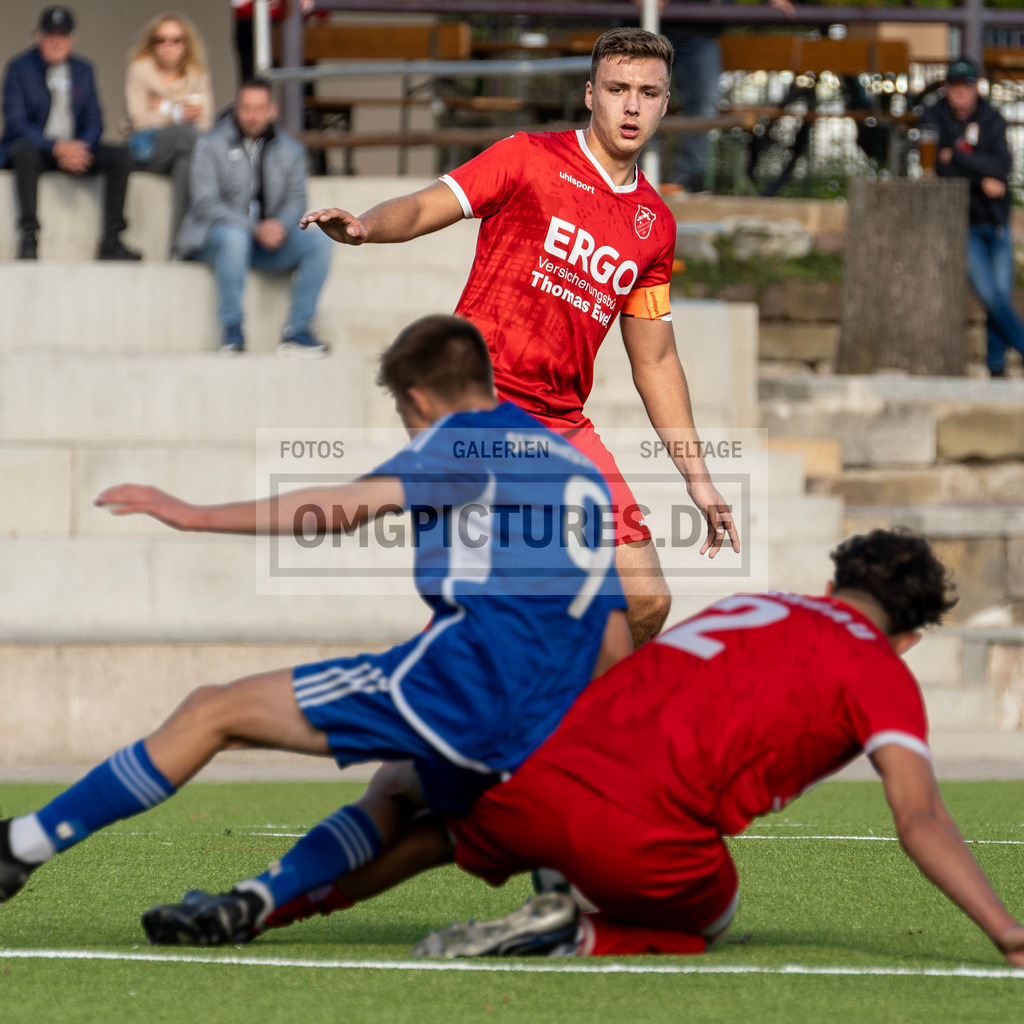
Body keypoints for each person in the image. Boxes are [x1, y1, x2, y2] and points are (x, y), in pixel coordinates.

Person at [0, 314, 632, 942]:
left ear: (416, 399)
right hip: (548, 709)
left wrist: (193, 516)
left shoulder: (461, 438)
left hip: (466, 677)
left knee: (212, 710)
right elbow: (610, 634)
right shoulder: (573, 466)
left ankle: (21, 846)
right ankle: (255, 901)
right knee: (398, 787)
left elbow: (341, 510)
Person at [169, 530, 1024, 969]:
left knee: (432, 823)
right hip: (636, 840)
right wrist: (1009, 934)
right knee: (715, 914)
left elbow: (623, 670)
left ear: (829, 585)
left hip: (527, 775)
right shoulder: (881, 669)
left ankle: (269, 903)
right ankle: (576, 936)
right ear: (909, 638)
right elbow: (919, 818)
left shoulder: (751, 606)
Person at [300, 27, 740, 648]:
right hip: (478, 404)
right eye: (618, 89)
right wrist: (368, 226)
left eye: (648, 92)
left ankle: (550, 727)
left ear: (668, 103)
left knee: (646, 599)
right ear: (591, 94)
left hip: (562, 420)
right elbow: (431, 204)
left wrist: (697, 477)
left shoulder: (655, 225)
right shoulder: (527, 156)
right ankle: (447, 714)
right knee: (492, 595)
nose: (632, 106)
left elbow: (658, 360)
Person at [174, 78, 331, 356]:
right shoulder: (210, 144)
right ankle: (232, 331)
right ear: (237, 109)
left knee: (320, 242)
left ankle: (297, 331)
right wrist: (253, 228)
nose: (252, 115)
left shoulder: (291, 150)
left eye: (259, 108)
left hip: (265, 243)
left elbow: (297, 200)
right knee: (235, 238)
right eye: (246, 107)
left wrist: (279, 226)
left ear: (272, 110)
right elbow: (204, 202)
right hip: (215, 239)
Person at [0, 6, 141, 261]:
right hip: (39, 149)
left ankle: (112, 240)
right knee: (23, 153)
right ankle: (29, 235)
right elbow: (16, 123)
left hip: (75, 150)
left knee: (120, 157)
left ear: (72, 38)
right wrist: (55, 147)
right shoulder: (19, 68)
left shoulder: (83, 70)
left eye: (62, 35)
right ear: (37, 36)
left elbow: (94, 119)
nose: (56, 41)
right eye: (50, 34)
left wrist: (80, 147)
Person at [920, 57, 1024, 379]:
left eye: (966, 87)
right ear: (947, 89)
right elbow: (937, 166)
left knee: (1000, 298)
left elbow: (1002, 167)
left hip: (996, 222)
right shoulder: (933, 116)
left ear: (975, 88)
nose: (960, 93)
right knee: (990, 295)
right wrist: (980, 178)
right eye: (955, 87)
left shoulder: (991, 117)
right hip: (964, 224)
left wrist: (960, 157)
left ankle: (996, 367)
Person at [646, 0, 794, 194]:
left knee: (705, 104)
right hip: (648, 26)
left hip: (701, 32)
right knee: (641, 99)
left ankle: (690, 180)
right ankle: (634, 172)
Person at [125, 12, 214, 247]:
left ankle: (179, 245)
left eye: (176, 40)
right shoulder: (140, 70)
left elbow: (205, 123)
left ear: (186, 44)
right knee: (187, 135)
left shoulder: (197, 74)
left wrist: (163, 107)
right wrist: (178, 114)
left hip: (184, 151)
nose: (168, 46)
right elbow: (139, 119)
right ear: (152, 44)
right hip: (147, 148)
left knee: (186, 161)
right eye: (161, 40)